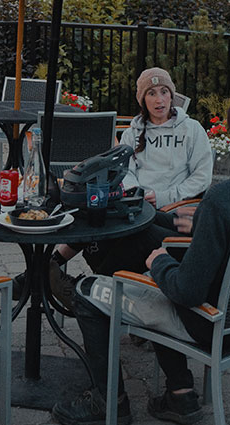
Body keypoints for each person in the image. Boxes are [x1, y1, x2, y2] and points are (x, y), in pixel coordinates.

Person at [51, 86, 230, 425]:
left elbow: (186, 291)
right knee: (151, 246)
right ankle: (180, 394)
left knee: (91, 290)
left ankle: (108, 403)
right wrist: (192, 229)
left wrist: (158, 262)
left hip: (211, 323)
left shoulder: (223, 200)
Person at [46, 66, 213, 309]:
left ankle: (78, 288)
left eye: (165, 92)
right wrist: (139, 193)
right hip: (136, 203)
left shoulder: (192, 130)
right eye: (152, 93)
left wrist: (164, 196)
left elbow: (202, 177)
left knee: (124, 231)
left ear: (172, 95)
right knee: (96, 210)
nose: (160, 99)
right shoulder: (133, 132)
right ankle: (53, 270)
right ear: (143, 99)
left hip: (173, 210)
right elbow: (126, 172)